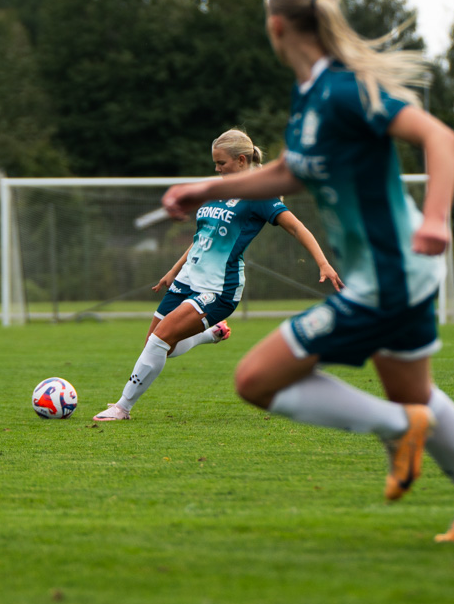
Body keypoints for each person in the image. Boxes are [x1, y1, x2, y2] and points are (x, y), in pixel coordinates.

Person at [162, 0, 454, 543]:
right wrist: (205, 189)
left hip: (389, 271)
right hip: (397, 270)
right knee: (414, 393)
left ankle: (399, 430)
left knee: (256, 379)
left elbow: (440, 138)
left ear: (277, 27)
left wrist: (436, 217)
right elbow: (289, 173)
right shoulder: (310, 97)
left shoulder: (344, 90)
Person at [92, 128, 342, 422]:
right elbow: (202, 239)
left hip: (218, 288)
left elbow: (297, 228)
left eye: (221, 163)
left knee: (160, 339)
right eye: (215, 163)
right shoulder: (218, 192)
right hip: (187, 278)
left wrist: (323, 263)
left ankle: (122, 407)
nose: (217, 169)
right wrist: (173, 271)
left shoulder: (259, 196)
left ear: (241, 160)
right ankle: (208, 335)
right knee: (157, 345)